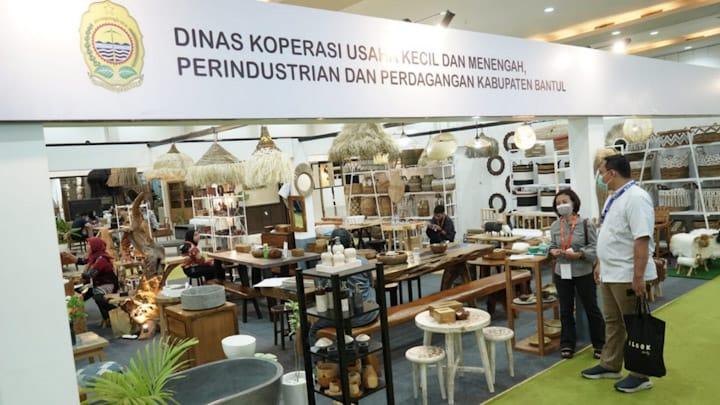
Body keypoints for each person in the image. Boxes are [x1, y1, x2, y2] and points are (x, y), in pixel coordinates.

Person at [582, 155, 657, 393]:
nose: (600, 177)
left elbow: (641, 239)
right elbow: (609, 233)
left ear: (612, 173)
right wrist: (600, 264)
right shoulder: (614, 197)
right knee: (613, 322)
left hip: (627, 273)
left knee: (635, 324)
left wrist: (638, 277)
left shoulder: (637, 198)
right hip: (610, 272)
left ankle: (640, 374)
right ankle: (610, 364)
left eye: (601, 172)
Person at [549, 189, 605, 360]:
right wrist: (552, 251)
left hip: (583, 272)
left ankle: (600, 344)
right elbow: (551, 245)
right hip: (562, 272)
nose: (561, 206)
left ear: (574, 202)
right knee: (565, 309)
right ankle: (567, 344)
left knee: (591, 308)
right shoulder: (555, 226)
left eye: (564, 202)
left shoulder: (586, 224)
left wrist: (579, 254)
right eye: (558, 203)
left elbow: (594, 248)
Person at [309, 228, 378, 339]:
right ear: (351, 243)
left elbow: (319, 287)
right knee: (369, 290)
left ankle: (318, 350)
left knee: (314, 329)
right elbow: (371, 283)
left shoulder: (324, 265)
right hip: (369, 313)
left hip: (344, 317)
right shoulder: (362, 261)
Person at [74, 237, 118, 327]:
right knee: (79, 293)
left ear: (95, 246)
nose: (87, 246)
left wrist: (81, 276)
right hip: (98, 284)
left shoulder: (101, 259)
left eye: (88, 245)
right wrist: (70, 257)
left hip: (108, 284)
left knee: (97, 297)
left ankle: (118, 311)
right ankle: (107, 318)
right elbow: (83, 261)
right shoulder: (94, 256)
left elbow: (91, 274)